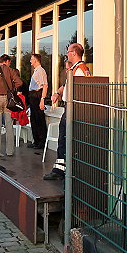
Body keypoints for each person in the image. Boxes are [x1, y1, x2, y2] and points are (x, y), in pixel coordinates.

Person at [44, 43, 91, 180]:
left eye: (69, 51)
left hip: (73, 109)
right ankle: (60, 170)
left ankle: (62, 172)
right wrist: (57, 94)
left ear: (74, 53)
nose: (67, 54)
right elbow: (66, 86)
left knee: (64, 139)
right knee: (63, 139)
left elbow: (81, 92)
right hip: (69, 108)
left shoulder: (80, 70)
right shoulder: (76, 69)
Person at [27, 53, 48, 149]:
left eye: (31, 59)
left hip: (37, 95)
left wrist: (42, 100)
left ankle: (42, 142)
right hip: (32, 96)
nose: (30, 61)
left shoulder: (41, 71)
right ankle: (36, 141)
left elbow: (45, 85)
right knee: (34, 119)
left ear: (35, 60)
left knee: (39, 119)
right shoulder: (36, 71)